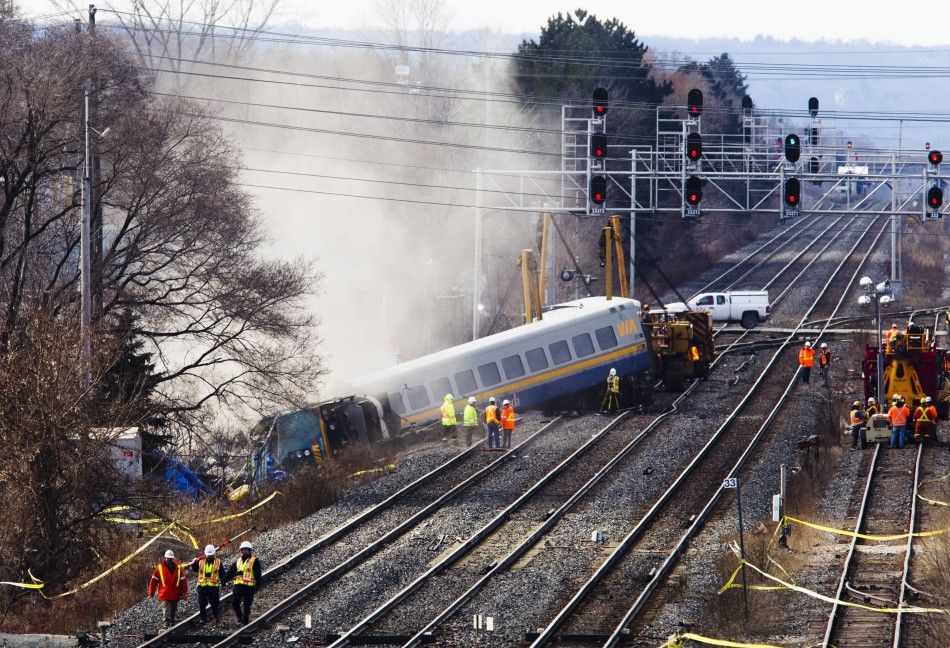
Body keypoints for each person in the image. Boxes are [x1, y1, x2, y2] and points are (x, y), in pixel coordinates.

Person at [148, 549, 189, 628]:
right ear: (165, 558)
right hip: (164, 593)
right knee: (166, 609)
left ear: (172, 559)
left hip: (175, 593)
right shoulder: (159, 568)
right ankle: (166, 624)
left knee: (173, 609)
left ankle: (172, 622)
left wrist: (184, 592)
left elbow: (183, 581)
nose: (169, 560)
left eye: (170, 559)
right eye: (168, 558)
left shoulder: (178, 568)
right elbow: (153, 581)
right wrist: (151, 592)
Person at [225, 540, 262, 626]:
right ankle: (240, 617)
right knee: (234, 602)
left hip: (249, 587)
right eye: (242, 550)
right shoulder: (238, 561)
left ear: (249, 550)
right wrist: (224, 580)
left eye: (245, 549)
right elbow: (230, 572)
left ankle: (245, 622)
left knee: (247, 605)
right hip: (238, 586)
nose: (243, 551)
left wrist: (257, 586)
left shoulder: (255, 561)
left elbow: (258, 575)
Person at [188, 544, 222, 625]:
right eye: (208, 555)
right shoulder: (200, 561)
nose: (209, 556)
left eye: (211, 555)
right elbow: (194, 569)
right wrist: (194, 563)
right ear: (205, 554)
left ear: (214, 554)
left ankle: (216, 617)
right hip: (202, 587)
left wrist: (224, 582)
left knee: (214, 603)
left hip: (213, 588)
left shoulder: (218, 562)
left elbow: (222, 573)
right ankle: (204, 619)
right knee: (202, 604)